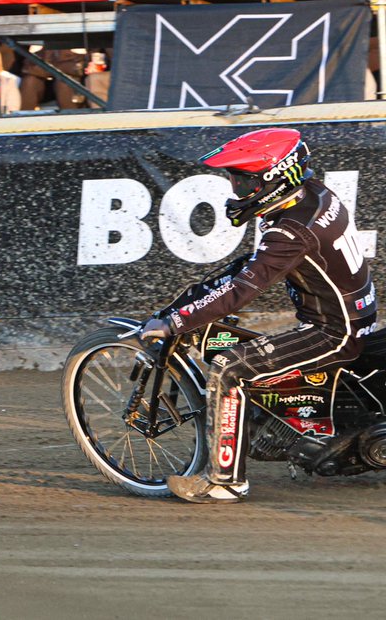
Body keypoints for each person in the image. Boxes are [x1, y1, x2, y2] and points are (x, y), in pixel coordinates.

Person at [137, 129, 376, 503]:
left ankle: (224, 481)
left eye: (242, 178)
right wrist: (197, 299)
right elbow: (250, 267)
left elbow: (240, 293)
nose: (235, 188)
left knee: (230, 368)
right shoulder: (313, 196)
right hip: (350, 315)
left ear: (272, 178)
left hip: (333, 331)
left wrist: (176, 322)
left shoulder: (291, 230)